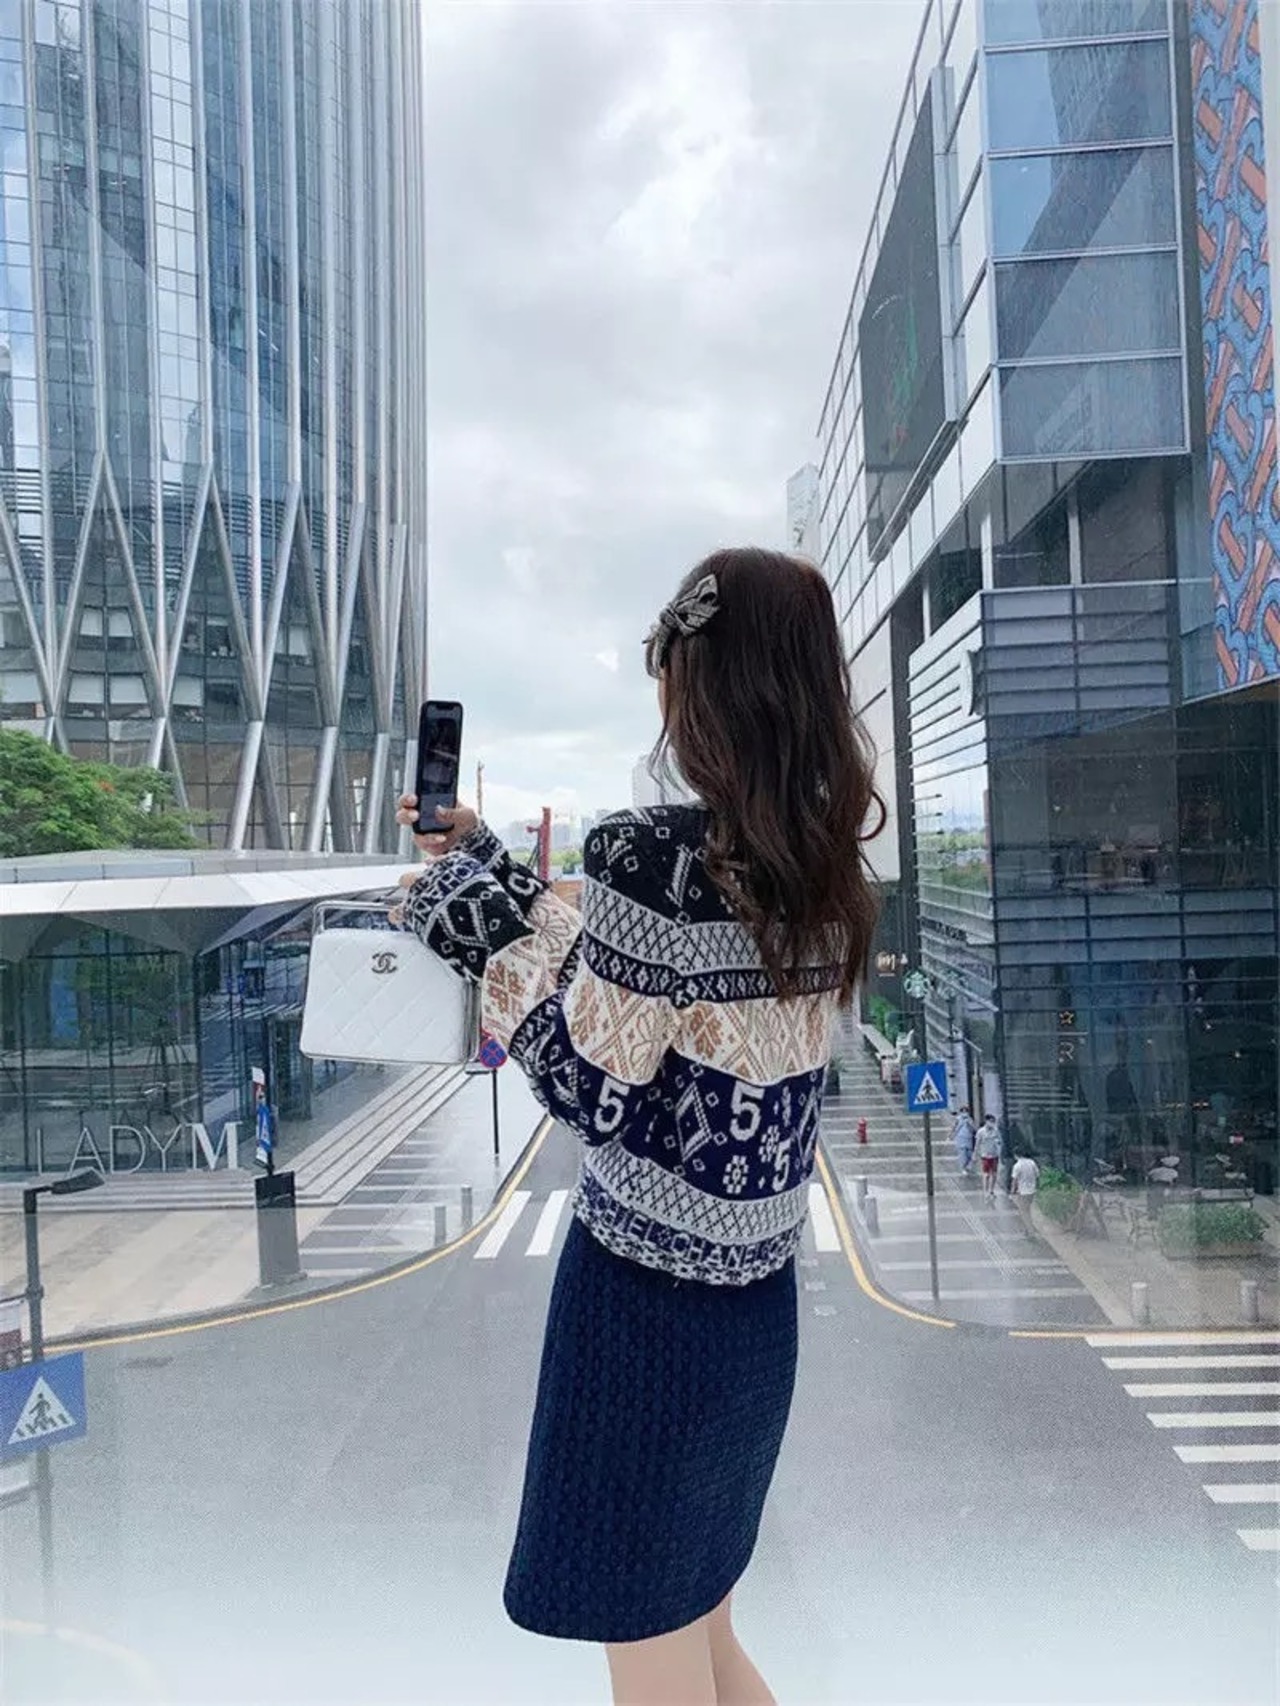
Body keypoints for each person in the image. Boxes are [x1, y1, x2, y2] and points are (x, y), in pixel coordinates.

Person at [393, 547, 883, 1706]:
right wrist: (486, 865)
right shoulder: (819, 859)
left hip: (641, 1320)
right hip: (753, 1313)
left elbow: (588, 1082)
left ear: (698, 682)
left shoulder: (647, 855)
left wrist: (468, 926)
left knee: (658, 1658)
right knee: (704, 1634)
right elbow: (646, 996)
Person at [1010, 1148, 1041, 1235]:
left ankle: (1029, 1229)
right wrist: (1037, 1186)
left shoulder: (1017, 1166)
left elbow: (1014, 1181)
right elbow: (1037, 1175)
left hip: (1023, 1192)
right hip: (1032, 1190)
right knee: (1028, 1209)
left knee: (1023, 1211)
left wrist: (1012, 1192)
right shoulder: (1032, 1163)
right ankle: (1029, 1228)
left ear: (1016, 1155)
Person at [974, 1113, 1002, 1199]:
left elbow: (1000, 1141)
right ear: (986, 1121)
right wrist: (975, 1154)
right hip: (985, 1155)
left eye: (993, 1121)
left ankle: (991, 1190)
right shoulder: (981, 1132)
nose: (992, 1123)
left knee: (994, 1174)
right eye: (991, 1121)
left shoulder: (996, 1131)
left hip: (994, 1155)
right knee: (986, 1175)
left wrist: (998, 1144)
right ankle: (985, 1191)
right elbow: (977, 1144)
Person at [951, 1106, 976, 1175]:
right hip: (960, 1138)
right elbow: (954, 1127)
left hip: (968, 1138)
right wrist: (951, 1135)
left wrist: (969, 1124)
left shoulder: (970, 1119)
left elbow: (973, 1129)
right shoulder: (958, 1119)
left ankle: (967, 1166)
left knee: (969, 1155)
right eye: (963, 1111)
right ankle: (963, 1168)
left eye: (966, 1111)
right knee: (962, 1154)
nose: (964, 1113)